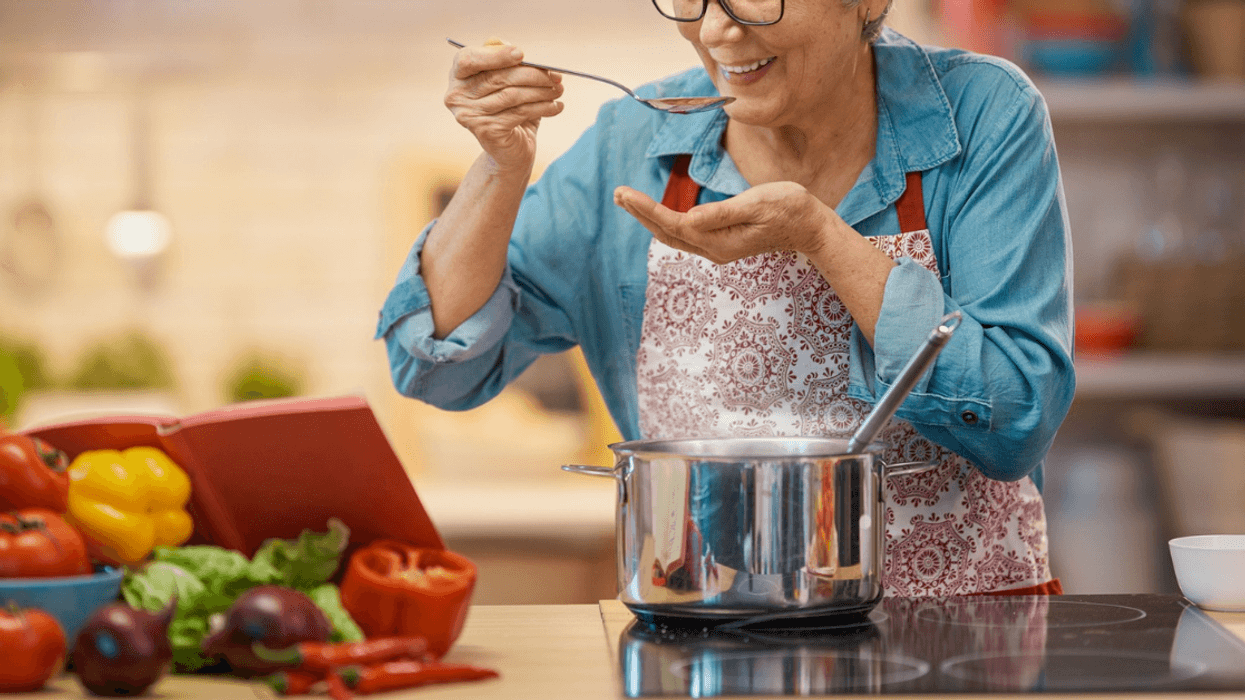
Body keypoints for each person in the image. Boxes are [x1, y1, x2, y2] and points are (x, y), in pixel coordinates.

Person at [376, 0, 1075, 596]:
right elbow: (438, 369)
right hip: (700, 636)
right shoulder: (629, 143)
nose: (714, 30)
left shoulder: (982, 112)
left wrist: (821, 238)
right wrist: (501, 164)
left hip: (967, 644)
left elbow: (1013, 417)